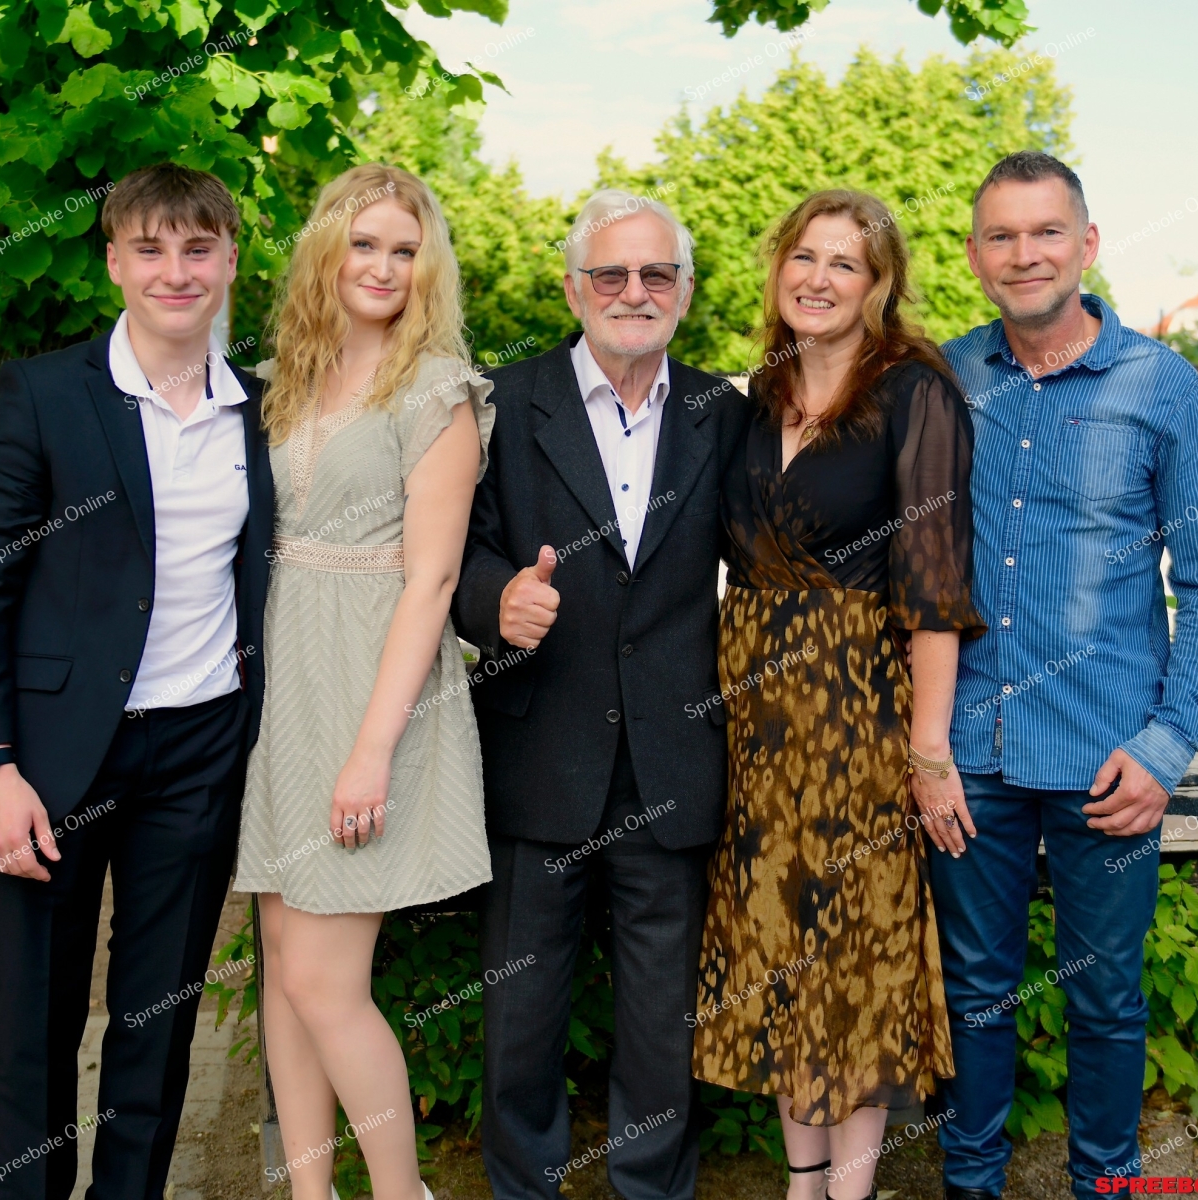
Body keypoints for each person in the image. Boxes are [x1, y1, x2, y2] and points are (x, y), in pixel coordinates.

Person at [0, 164, 272, 1198]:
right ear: (114, 262)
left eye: (198, 249)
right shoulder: (46, 393)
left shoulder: (260, 411)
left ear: (228, 261)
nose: (176, 271)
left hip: (201, 748)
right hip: (51, 758)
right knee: (34, 1021)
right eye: (150, 249)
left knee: (157, 1021)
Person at [935, 151, 1198, 1199]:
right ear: (975, 255)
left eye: (1045, 232)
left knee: (1106, 1002)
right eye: (1001, 235)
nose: (1023, 254)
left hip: (1110, 762)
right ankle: (970, 1185)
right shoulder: (946, 380)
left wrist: (1167, 744)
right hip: (970, 753)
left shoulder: (1161, 386)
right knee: (972, 994)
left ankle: (1104, 1186)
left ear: (1087, 244)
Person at [452, 189, 750, 1200]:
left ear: (686, 292)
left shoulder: (722, 413)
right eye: (611, 274)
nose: (635, 291)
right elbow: (450, 552)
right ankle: (522, 1188)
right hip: (540, 749)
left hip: (675, 759)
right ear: (574, 287)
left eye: (657, 274)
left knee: (664, 1021)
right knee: (521, 1014)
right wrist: (495, 601)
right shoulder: (501, 403)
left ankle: (651, 1188)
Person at [693, 189, 986, 1200]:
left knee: (851, 956)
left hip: (855, 711)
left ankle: (848, 1194)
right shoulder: (750, 400)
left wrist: (928, 752)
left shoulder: (915, 394)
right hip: (751, 719)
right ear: (778, 268)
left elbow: (936, 590)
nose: (818, 279)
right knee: (777, 944)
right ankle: (801, 1184)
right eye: (804, 257)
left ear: (879, 286)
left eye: (845, 264)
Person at [231, 163, 492, 1200]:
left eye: (404, 249)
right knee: (284, 970)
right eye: (365, 243)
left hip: (372, 692)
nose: (383, 266)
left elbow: (432, 582)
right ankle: (310, 1193)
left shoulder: (436, 391)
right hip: (280, 688)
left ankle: (399, 1193)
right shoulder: (280, 377)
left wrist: (372, 751)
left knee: (324, 980)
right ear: (326, 251)